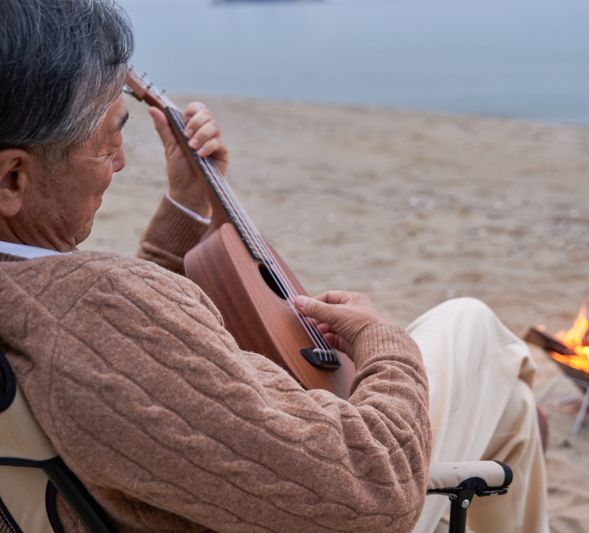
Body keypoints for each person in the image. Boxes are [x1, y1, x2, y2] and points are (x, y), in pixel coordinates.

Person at [0, 1, 547, 531]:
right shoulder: (92, 313)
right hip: (355, 501)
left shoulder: (42, 306)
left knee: (513, 410)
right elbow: (373, 489)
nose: (120, 162)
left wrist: (188, 202)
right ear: (12, 179)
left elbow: (128, 361)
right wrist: (384, 344)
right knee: (472, 326)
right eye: (108, 140)